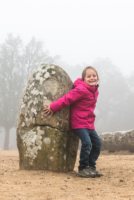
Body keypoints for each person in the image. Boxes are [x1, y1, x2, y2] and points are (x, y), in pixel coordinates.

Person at [43, 66, 102, 178]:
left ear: (97, 78)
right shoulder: (81, 90)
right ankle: (82, 168)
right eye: (88, 76)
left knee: (98, 143)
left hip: (89, 123)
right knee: (87, 143)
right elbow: (67, 98)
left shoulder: (94, 91)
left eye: (94, 76)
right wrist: (53, 107)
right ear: (84, 79)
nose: (92, 78)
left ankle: (91, 167)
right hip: (79, 122)